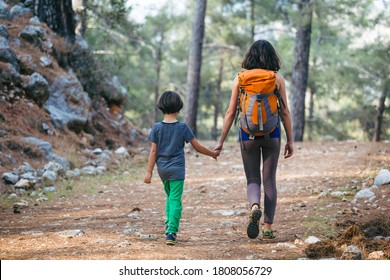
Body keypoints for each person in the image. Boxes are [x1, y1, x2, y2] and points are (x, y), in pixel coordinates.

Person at [214, 40, 294, 240]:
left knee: (252, 179)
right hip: (272, 134)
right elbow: (284, 112)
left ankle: (254, 206)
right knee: (269, 181)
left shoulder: (240, 78)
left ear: (249, 57)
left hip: (246, 134)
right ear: (272, 57)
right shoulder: (277, 79)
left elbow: (231, 112)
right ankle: (267, 228)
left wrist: (221, 141)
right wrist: (290, 141)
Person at [144, 90, 220, 246]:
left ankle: (168, 222)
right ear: (179, 108)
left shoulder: (156, 127)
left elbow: (153, 151)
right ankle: (171, 231)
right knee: (175, 199)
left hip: (163, 170)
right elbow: (197, 147)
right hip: (177, 170)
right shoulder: (183, 127)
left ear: (161, 107)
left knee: (169, 196)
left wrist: (149, 172)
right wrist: (212, 153)